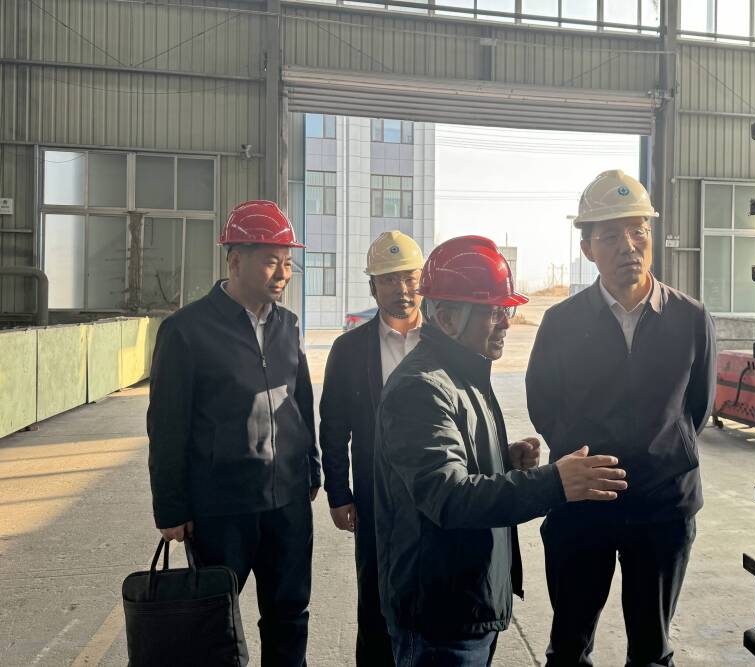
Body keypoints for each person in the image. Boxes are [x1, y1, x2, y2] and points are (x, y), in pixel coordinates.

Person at [374, 235, 629, 667]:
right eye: (494, 312)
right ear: (448, 319)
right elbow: (448, 496)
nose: (507, 323)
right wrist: (554, 483)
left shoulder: (463, 372)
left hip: (465, 603)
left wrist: (502, 460)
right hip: (441, 618)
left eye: (506, 310)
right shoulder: (421, 388)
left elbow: (453, 465)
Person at [526, 170, 717, 667]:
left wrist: (660, 454)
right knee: (568, 647)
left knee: (652, 650)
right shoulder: (561, 323)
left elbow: (697, 407)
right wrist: (582, 458)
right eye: (610, 235)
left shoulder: (689, 318)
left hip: (663, 507)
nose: (628, 246)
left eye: (638, 231)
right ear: (587, 248)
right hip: (582, 503)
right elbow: (542, 404)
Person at [147, 200, 320, 667]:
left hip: (287, 504)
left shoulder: (288, 325)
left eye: (288, 263)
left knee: (289, 615)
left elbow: (300, 403)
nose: (283, 274)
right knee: (214, 624)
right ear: (235, 260)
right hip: (221, 507)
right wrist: (171, 506)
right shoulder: (186, 331)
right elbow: (166, 425)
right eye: (271, 261)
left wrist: (311, 469)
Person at [319, 230, 425, 666]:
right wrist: (338, 493)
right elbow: (333, 426)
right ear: (373, 287)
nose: (402, 289)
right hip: (374, 497)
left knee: (433, 598)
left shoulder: (445, 341)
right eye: (389, 279)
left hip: (438, 493)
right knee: (376, 600)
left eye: (409, 277)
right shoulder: (349, 350)